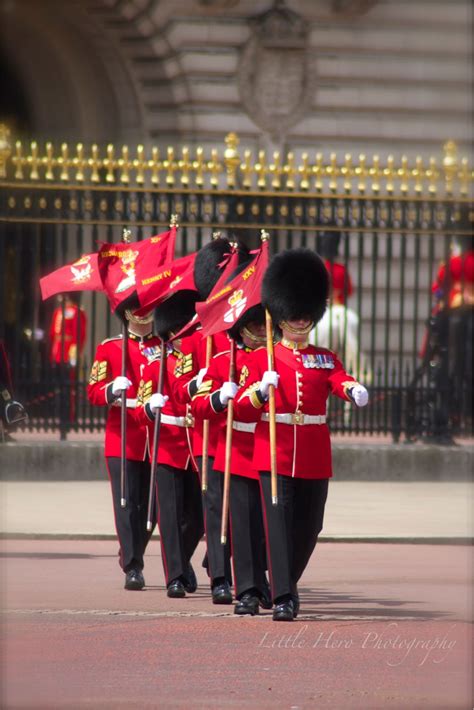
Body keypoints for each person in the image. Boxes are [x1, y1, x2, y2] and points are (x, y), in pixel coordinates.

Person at [234, 248, 369, 621]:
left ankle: (285, 582)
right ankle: (283, 597)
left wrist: (352, 388)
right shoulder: (263, 358)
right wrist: (261, 391)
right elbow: (243, 408)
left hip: (313, 454)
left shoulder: (325, 357)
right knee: (277, 525)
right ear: (281, 314)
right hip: (274, 452)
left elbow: (336, 379)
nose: (299, 319)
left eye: (305, 313)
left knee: (310, 528)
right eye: (293, 313)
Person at [172, 237, 249, 604]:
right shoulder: (193, 337)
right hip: (208, 433)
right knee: (214, 507)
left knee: (239, 511)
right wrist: (200, 383)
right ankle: (220, 577)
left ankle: (222, 562)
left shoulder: (246, 334)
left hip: (243, 434)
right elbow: (179, 387)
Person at [191, 302, 272, 615]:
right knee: (243, 523)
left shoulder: (277, 358)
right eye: (256, 327)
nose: (263, 333)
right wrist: (218, 397)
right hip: (236, 447)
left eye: (266, 326)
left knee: (271, 526)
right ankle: (247, 588)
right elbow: (198, 405)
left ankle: (268, 581)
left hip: (273, 448)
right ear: (242, 328)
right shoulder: (224, 361)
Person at [135, 292, 204, 599]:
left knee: (199, 516)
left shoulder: (203, 361)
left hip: (196, 447)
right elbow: (139, 411)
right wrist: (150, 407)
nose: (178, 337)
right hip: (169, 446)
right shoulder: (155, 367)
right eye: (174, 332)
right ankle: (174, 575)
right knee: (172, 516)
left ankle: (182, 560)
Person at [87, 308, 160, 590]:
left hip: (154, 436)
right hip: (123, 436)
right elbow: (94, 391)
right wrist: (111, 390)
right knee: (127, 503)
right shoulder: (110, 348)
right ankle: (133, 566)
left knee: (151, 506)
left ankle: (132, 549)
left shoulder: (163, 347)